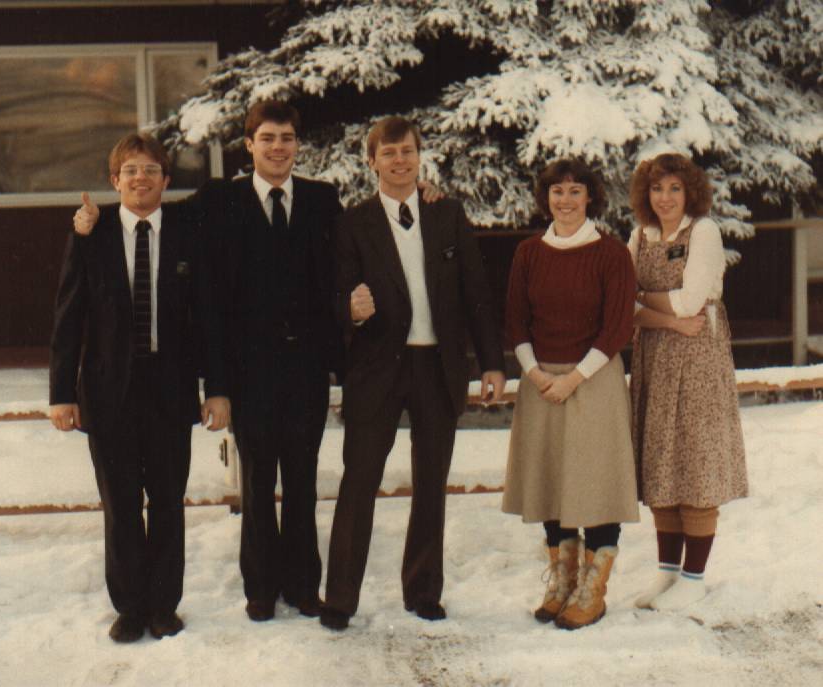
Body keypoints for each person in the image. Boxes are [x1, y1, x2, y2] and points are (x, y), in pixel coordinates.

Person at [72, 102, 443, 623]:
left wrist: (421, 196)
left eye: (287, 139)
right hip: (249, 371)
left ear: (296, 146)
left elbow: (367, 236)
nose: (278, 147)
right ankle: (260, 588)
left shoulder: (320, 199)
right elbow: (150, 210)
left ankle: (302, 585)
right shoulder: (221, 199)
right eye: (267, 138)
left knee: (302, 480)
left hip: (306, 370)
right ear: (249, 146)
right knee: (257, 482)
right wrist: (95, 222)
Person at [319, 116, 506, 631]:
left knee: (430, 482)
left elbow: (476, 294)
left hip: (436, 366)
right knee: (359, 482)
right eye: (389, 153)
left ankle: (423, 589)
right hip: (378, 369)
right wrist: (349, 310)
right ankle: (339, 597)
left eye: (407, 152)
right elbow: (334, 296)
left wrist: (492, 361)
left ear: (420, 156)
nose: (399, 161)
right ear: (372, 161)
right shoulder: (353, 223)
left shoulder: (446, 214)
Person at [49, 133, 230, 643]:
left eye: (151, 170)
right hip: (109, 392)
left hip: (170, 390)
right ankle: (130, 607)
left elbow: (210, 318)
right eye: (130, 171)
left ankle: (163, 607)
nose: (141, 179)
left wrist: (217, 388)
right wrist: (61, 392)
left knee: (168, 501)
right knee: (121, 502)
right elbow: (69, 316)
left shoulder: (189, 230)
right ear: (114, 181)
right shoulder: (93, 232)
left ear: (166, 181)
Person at [502, 158, 639, 630]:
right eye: (557, 192)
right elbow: (516, 321)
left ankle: (592, 592)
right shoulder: (528, 253)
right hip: (541, 381)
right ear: (546, 199)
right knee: (553, 482)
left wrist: (573, 378)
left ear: (590, 198)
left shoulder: (611, 253)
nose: (565, 200)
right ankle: (562, 582)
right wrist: (536, 375)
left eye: (575, 191)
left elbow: (618, 325)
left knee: (594, 484)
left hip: (592, 381)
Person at [627, 153, 748, 611]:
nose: (665, 198)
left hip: (698, 358)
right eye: (657, 189)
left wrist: (645, 302)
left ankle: (694, 579)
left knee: (693, 461)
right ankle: (667, 574)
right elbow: (623, 298)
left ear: (690, 191)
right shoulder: (639, 235)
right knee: (662, 459)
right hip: (656, 356)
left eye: (675, 189)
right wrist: (664, 314)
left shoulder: (705, 231)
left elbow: (693, 299)